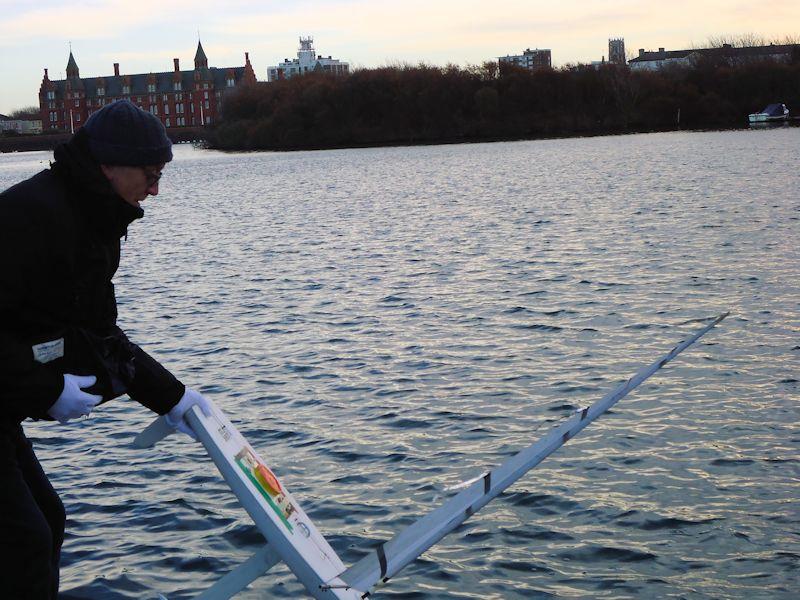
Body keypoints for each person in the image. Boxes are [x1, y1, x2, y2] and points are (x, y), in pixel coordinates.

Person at [0, 100, 211, 598]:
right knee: (24, 538)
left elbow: (99, 334)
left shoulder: (96, 222)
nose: (155, 190)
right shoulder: (29, 216)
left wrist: (174, 398)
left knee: (48, 519)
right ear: (109, 165)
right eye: (150, 174)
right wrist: (47, 387)